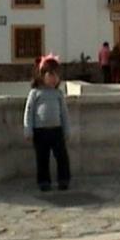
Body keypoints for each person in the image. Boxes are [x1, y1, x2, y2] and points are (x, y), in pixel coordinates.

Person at [23, 53, 71, 192]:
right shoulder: (35, 93)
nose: (54, 78)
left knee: (61, 156)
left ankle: (63, 179)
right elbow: (29, 112)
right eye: (51, 74)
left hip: (57, 130)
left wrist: (67, 130)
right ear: (42, 75)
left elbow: (64, 113)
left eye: (57, 75)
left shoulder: (58, 94)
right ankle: (44, 181)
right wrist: (28, 130)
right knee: (42, 158)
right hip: (40, 131)